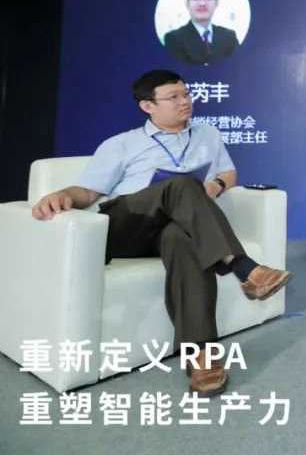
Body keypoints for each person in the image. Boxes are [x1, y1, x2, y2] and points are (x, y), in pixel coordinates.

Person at [30, 70, 291, 394]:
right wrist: (62, 194)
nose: (185, 101)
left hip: (170, 227)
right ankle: (244, 268)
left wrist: (214, 185)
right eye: (174, 97)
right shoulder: (121, 144)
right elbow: (87, 191)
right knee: (182, 184)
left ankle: (201, 356)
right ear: (147, 106)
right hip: (127, 224)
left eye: (186, 94)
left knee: (183, 239)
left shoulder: (207, 134)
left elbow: (228, 171)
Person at [163, 0, 240, 65]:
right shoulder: (174, 38)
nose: (202, 3)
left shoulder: (229, 37)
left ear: (216, 3)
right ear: (187, 4)